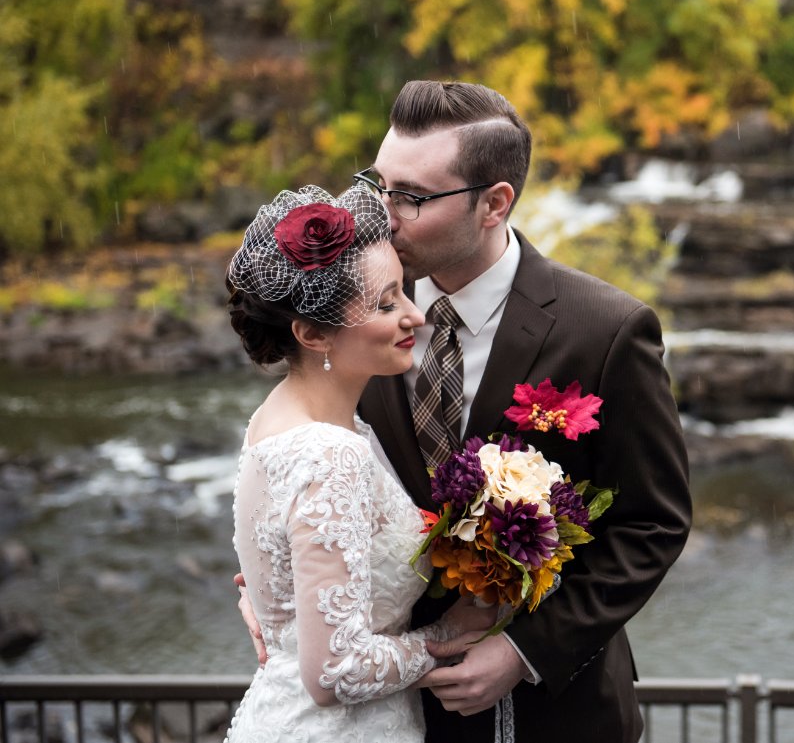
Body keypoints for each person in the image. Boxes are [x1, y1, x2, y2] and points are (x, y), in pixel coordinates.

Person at [353, 80, 693, 743]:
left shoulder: (606, 331)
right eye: (377, 185)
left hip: (556, 716)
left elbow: (652, 523)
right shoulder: (353, 317)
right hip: (391, 712)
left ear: (494, 202)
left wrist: (523, 650)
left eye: (411, 197)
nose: (384, 214)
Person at [224, 185, 496, 742]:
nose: (415, 317)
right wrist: (447, 634)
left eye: (404, 292)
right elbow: (333, 671)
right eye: (386, 303)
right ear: (313, 334)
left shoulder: (284, 420)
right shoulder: (330, 452)